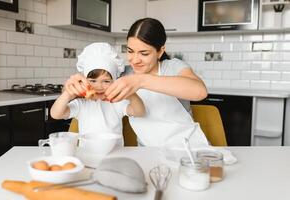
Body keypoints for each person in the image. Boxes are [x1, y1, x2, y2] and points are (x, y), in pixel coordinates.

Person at [65, 18, 209, 148]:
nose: (134, 60)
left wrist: (141, 80)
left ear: (160, 51)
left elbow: (199, 91)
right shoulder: (121, 74)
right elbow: (95, 80)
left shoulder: (173, 67)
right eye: (130, 51)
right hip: (148, 152)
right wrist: (75, 84)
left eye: (144, 53)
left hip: (189, 149)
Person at [50, 43, 145, 144]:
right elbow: (55, 114)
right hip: (87, 153)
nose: (99, 86)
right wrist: (68, 93)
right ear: (85, 81)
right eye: (93, 81)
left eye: (106, 81)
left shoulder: (117, 103)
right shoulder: (81, 104)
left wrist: (131, 95)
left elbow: (139, 112)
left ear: (114, 81)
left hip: (114, 154)